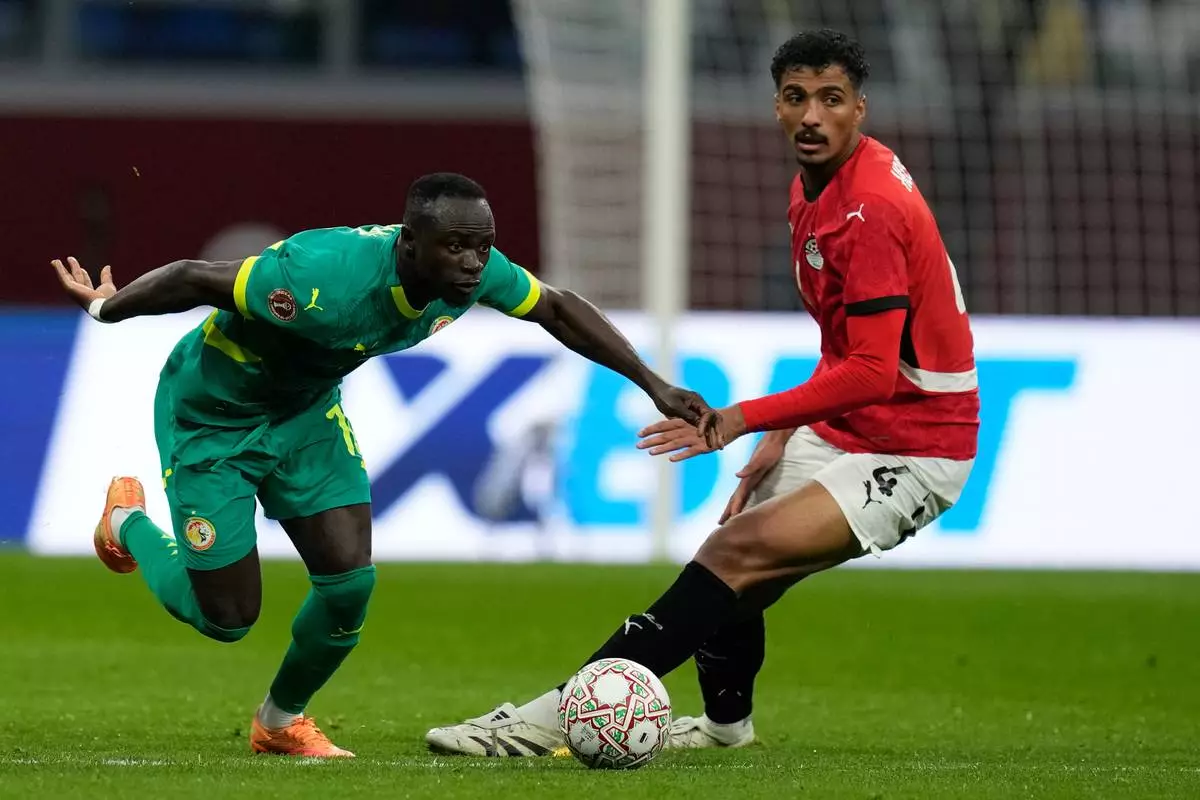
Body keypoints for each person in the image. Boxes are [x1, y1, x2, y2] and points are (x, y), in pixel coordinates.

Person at [425, 28, 980, 757]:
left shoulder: (868, 209)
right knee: (733, 561)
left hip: (918, 446)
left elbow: (875, 369)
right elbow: (845, 341)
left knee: (736, 553)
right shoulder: (814, 191)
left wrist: (746, 419)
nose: (811, 115)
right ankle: (725, 729)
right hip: (855, 423)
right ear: (777, 107)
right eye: (795, 98)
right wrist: (789, 430)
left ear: (860, 111)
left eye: (831, 100)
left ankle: (545, 720)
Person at [51, 172, 710, 758]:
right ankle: (127, 520)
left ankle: (279, 722)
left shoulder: (477, 274)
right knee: (228, 618)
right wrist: (107, 308)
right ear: (408, 245)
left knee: (348, 585)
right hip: (212, 417)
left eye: (482, 245)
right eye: (455, 247)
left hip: (305, 417)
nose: (473, 263)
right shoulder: (321, 276)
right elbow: (195, 277)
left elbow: (558, 308)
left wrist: (654, 384)